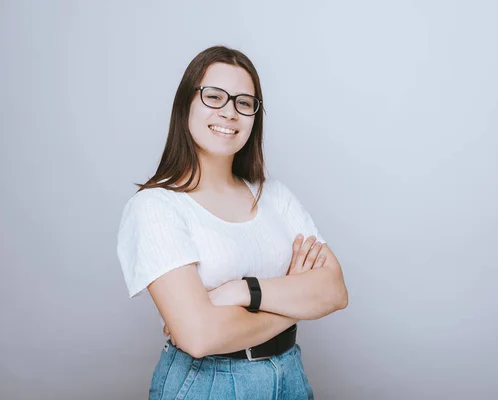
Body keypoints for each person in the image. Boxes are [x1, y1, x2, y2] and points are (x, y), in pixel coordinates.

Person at [117, 45, 348, 399]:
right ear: (186, 105)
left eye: (244, 102)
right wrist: (294, 302)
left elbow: (334, 291)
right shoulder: (155, 207)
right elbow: (199, 336)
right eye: (214, 96)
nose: (229, 112)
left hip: (289, 374)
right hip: (209, 383)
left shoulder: (275, 197)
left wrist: (242, 291)